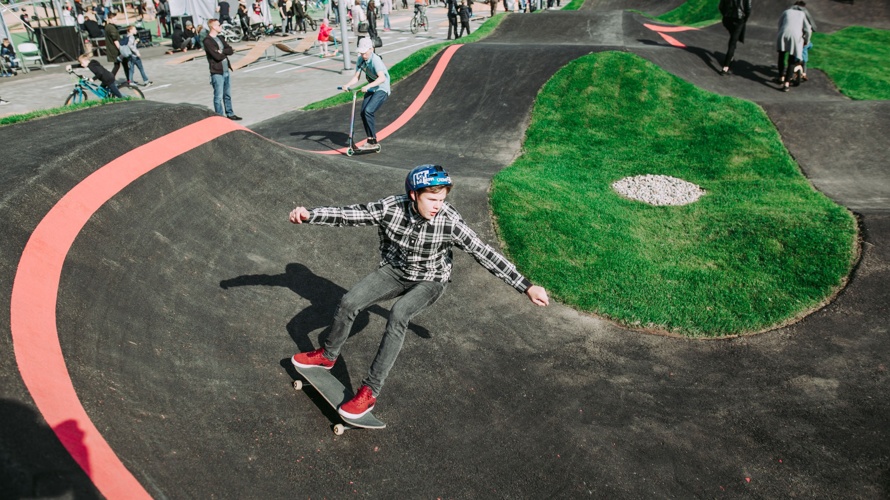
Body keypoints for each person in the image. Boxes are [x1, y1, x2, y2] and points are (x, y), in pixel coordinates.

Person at [289, 164, 550, 419]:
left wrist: (526, 286)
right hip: (396, 271)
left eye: (442, 200)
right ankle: (327, 355)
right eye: (432, 199)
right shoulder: (392, 208)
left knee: (399, 314)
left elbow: (484, 252)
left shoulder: (450, 222)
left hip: (431, 280)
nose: (438, 206)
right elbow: (351, 214)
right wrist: (311, 215)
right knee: (349, 302)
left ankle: (369, 391)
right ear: (414, 195)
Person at [341, 37, 389, 151]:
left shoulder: (375, 60)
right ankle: (370, 139)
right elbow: (356, 77)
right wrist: (347, 85)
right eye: (361, 53)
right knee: (363, 112)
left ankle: (373, 141)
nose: (363, 55)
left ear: (371, 49)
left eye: (365, 53)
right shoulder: (360, 60)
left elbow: (382, 78)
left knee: (368, 110)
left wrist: (368, 86)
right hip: (371, 88)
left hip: (382, 88)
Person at [203, 18, 242, 120]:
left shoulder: (220, 38)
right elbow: (217, 56)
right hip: (217, 72)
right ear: (213, 27)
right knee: (218, 96)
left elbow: (230, 50)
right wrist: (222, 52)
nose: (220, 27)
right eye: (219, 25)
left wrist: (222, 51)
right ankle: (220, 117)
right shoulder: (207, 41)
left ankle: (230, 113)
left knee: (227, 95)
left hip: (226, 70)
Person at [776, 4, 812, 92]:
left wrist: (781, 32)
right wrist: (806, 41)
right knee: (791, 60)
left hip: (783, 34)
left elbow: (779, 24)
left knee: (781, 56)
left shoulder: (786, 12)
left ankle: (781, 77)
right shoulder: (802, 14)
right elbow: (808, 29)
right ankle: (786, 84)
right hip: (795, 37)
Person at [717, 0, 751, 75]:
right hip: (739, 19)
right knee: (732, 42)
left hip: (728, 18)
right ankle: (725, 67)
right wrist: (745, 18)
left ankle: (730, 58)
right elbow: (748, 8)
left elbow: (721, 6)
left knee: (733, 38)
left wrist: (725, 14)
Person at [792, 0, 816, 81]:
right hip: (804, 47)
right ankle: (804, 73)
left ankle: (792, 74)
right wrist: (808, 43)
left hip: (796, 46)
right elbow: (809, 31)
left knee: (793, 59)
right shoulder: (805, 17)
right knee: (805, 61)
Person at [104, 11, 130, 82]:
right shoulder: (111, 28)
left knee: (117, 65)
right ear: (110, 19)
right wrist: (121, 50)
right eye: (114, 19)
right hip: (116, 50)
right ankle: (129, 80)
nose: (116, 20)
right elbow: (115, 40)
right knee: (123, 65)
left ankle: (110, 80)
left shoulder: (108, 26)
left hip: (113, 49)